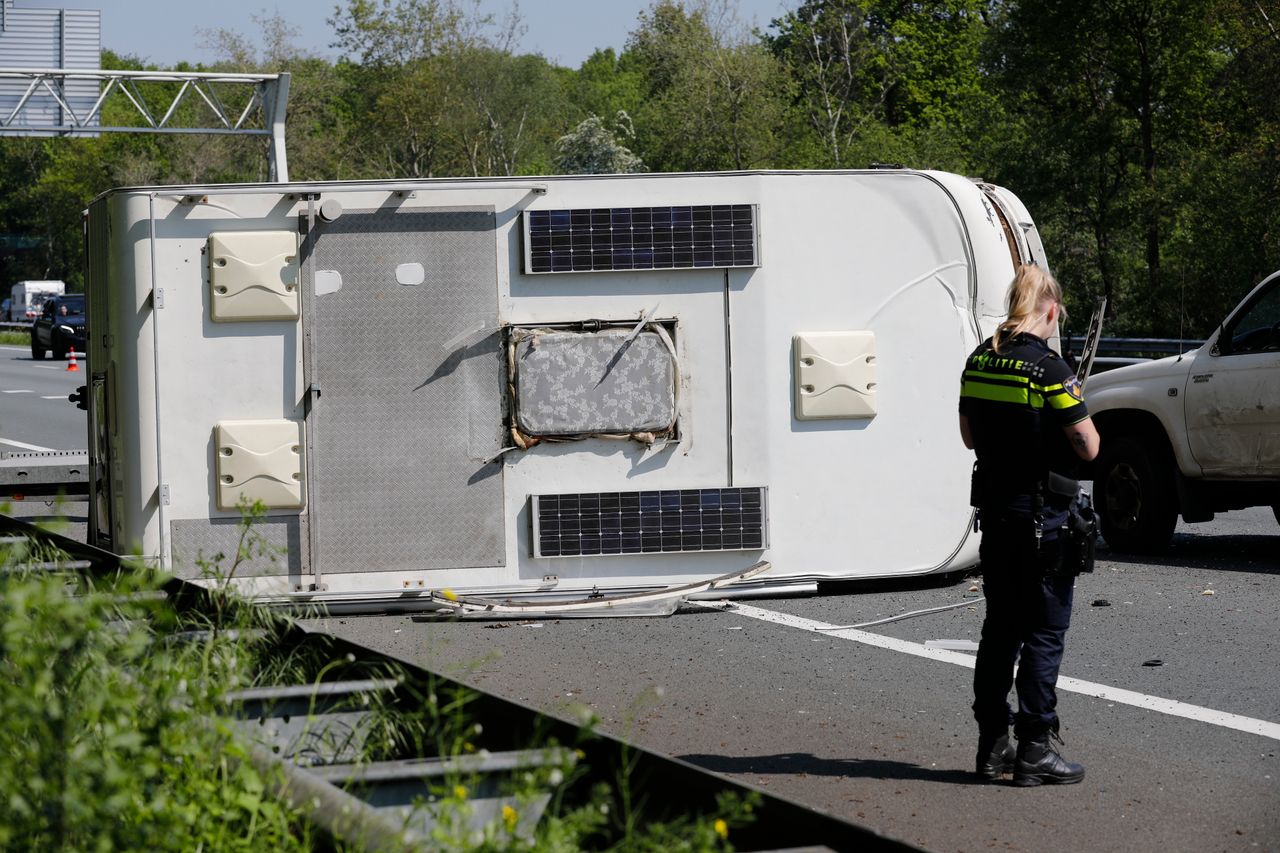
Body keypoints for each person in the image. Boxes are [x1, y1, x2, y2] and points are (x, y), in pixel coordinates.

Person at [958, 263, 1100, 787]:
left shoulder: (979, 360)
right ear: (1050, 308)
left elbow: (969, 437)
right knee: (1044, 632)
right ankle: (1035, 750)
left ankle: (991, 745)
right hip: (1046, 520)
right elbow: (1089, 445)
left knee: (1000, 630)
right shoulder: (1051, 369)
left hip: (997, 515)